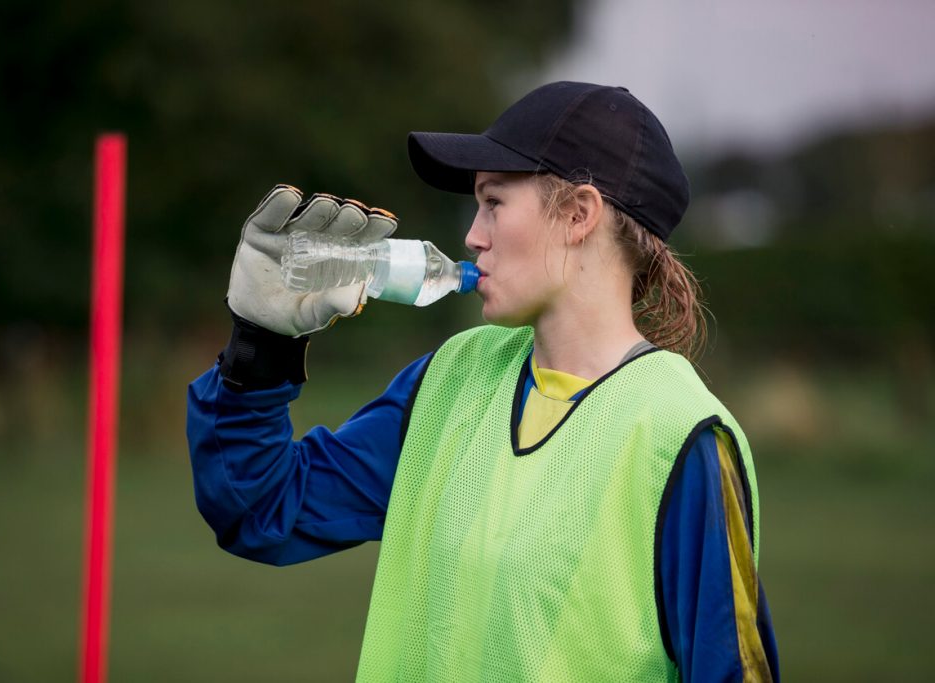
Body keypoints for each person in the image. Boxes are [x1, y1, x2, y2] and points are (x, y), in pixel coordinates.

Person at [187, 81, 779, 681]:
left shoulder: (682, 435)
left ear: (579, 215)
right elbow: (260, 508)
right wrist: (259, 346)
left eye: (494, 202)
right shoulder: (451, 379)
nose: (473, 235)